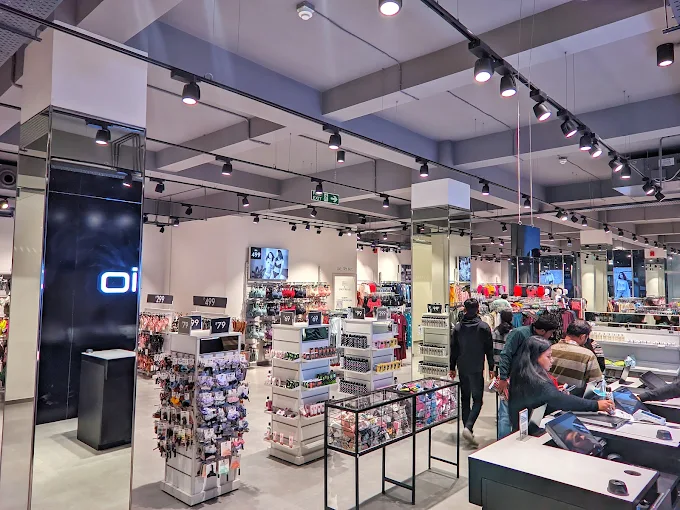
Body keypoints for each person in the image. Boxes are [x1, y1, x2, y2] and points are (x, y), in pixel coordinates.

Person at [508, 336, 614, 431]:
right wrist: (596, 405)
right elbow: (559, 399)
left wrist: (553, 393)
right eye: (548, 356)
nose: (552, 360)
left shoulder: (522, 372)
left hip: (524, 426)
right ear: (535, 357)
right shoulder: (537, 380)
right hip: (530, 430)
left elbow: (542, 397)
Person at [449, 298, 494, 447]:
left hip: (462, 367)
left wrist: (452, 367)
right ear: (478, 309)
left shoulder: (457, 328)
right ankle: (468, 427)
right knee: (477, 400)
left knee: (465, 399)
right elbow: (489, 349)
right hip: (476, 367)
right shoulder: (484, 327)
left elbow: (454, 349)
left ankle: (468, 428)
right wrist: (492, 367)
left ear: (464, 309)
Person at [550, 321, 603, 388]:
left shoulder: (550, 349)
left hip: (551, 391)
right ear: (582, 336)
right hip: (575, 394)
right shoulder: (587, 355)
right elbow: (596, 383)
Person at [492, 310, 514, 438]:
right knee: (506, 393)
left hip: (497, 364)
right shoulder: (513, 332)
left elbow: (492, 347)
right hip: (508, 366)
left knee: (500, 391)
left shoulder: (495, 331)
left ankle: (499, 414)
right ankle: (504, 415)